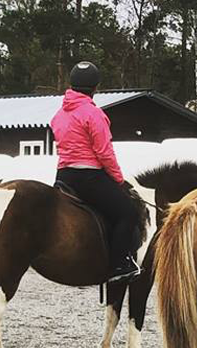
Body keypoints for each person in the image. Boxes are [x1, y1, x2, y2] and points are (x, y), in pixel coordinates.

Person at [50, 61, 141, 284]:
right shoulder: (93, 114)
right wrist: (118, 179)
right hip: (88, 177)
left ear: (72, 84)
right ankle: (119, 264)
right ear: (95, 87)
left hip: (63, 176)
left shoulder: (59, 115)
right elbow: (104, 152)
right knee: (127, 211)